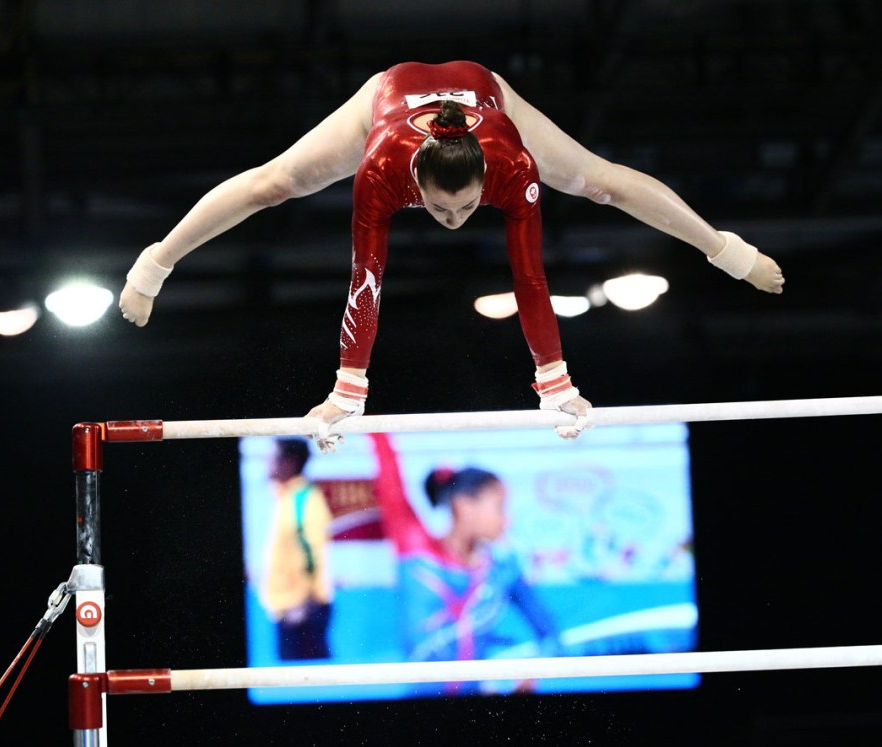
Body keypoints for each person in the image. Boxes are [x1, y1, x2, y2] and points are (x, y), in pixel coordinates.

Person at [119, 61, 785, 449]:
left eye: (464, 209)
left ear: (484, 185)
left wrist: (554, 383)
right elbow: (365, 279)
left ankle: (723, 248)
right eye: (439, 210)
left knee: (600, 180)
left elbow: (530, 276)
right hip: (391, 93)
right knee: (276, 183)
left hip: (482, 89)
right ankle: (156, 260)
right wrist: (347, 391)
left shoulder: (510, 166)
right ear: (416, 183)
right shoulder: (380, 170)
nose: (452, 221)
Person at [370, 433, 560, 694]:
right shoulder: (415, 548)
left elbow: (549, 631)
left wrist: (532, 675)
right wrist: (377, 428)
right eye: (500, 507)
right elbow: (390, 481)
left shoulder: (502, 569)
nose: (507, 520)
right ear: (464, 506)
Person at [260, 437, 334, 660]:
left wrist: (304, 602)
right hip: (288, 607)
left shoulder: (304, 498)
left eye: (272, 457)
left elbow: (313, 551)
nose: (267, 462)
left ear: (290, 462)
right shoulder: (285, 496)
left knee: (310, 686)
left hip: (303, 609)